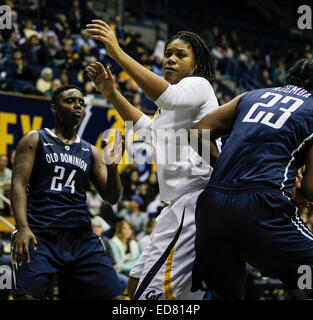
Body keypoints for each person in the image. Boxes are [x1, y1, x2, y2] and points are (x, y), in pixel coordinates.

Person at [86, 20, 219, 300]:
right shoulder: (170, 110)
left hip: (194, 204)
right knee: (134, 287)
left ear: (196, 65)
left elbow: (168, 97)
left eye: (180, 55)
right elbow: (145, 128)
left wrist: (118, 53)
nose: (170, 58)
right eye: (168, 53)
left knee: (151, 297)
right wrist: (111, 93)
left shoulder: (198, 85)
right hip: (175, 209)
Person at [190, 58, 313, 300]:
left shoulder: (252, 95)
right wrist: (299, 190)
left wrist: (224, 168)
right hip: (261, 209)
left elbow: (197, 132)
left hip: (212, 206)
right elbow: (310, 190)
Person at [11, 84, 125, 300]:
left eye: (81, 102)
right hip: (41, 235)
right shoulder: (35, 139)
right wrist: (22, 227)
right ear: (54, 108)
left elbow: (111, 197)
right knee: (26, 297)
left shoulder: (90, 151)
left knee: (118, 299)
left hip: (80, 239)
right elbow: (18, 184)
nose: (78, 105)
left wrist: (112, 166)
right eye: (71, 101)